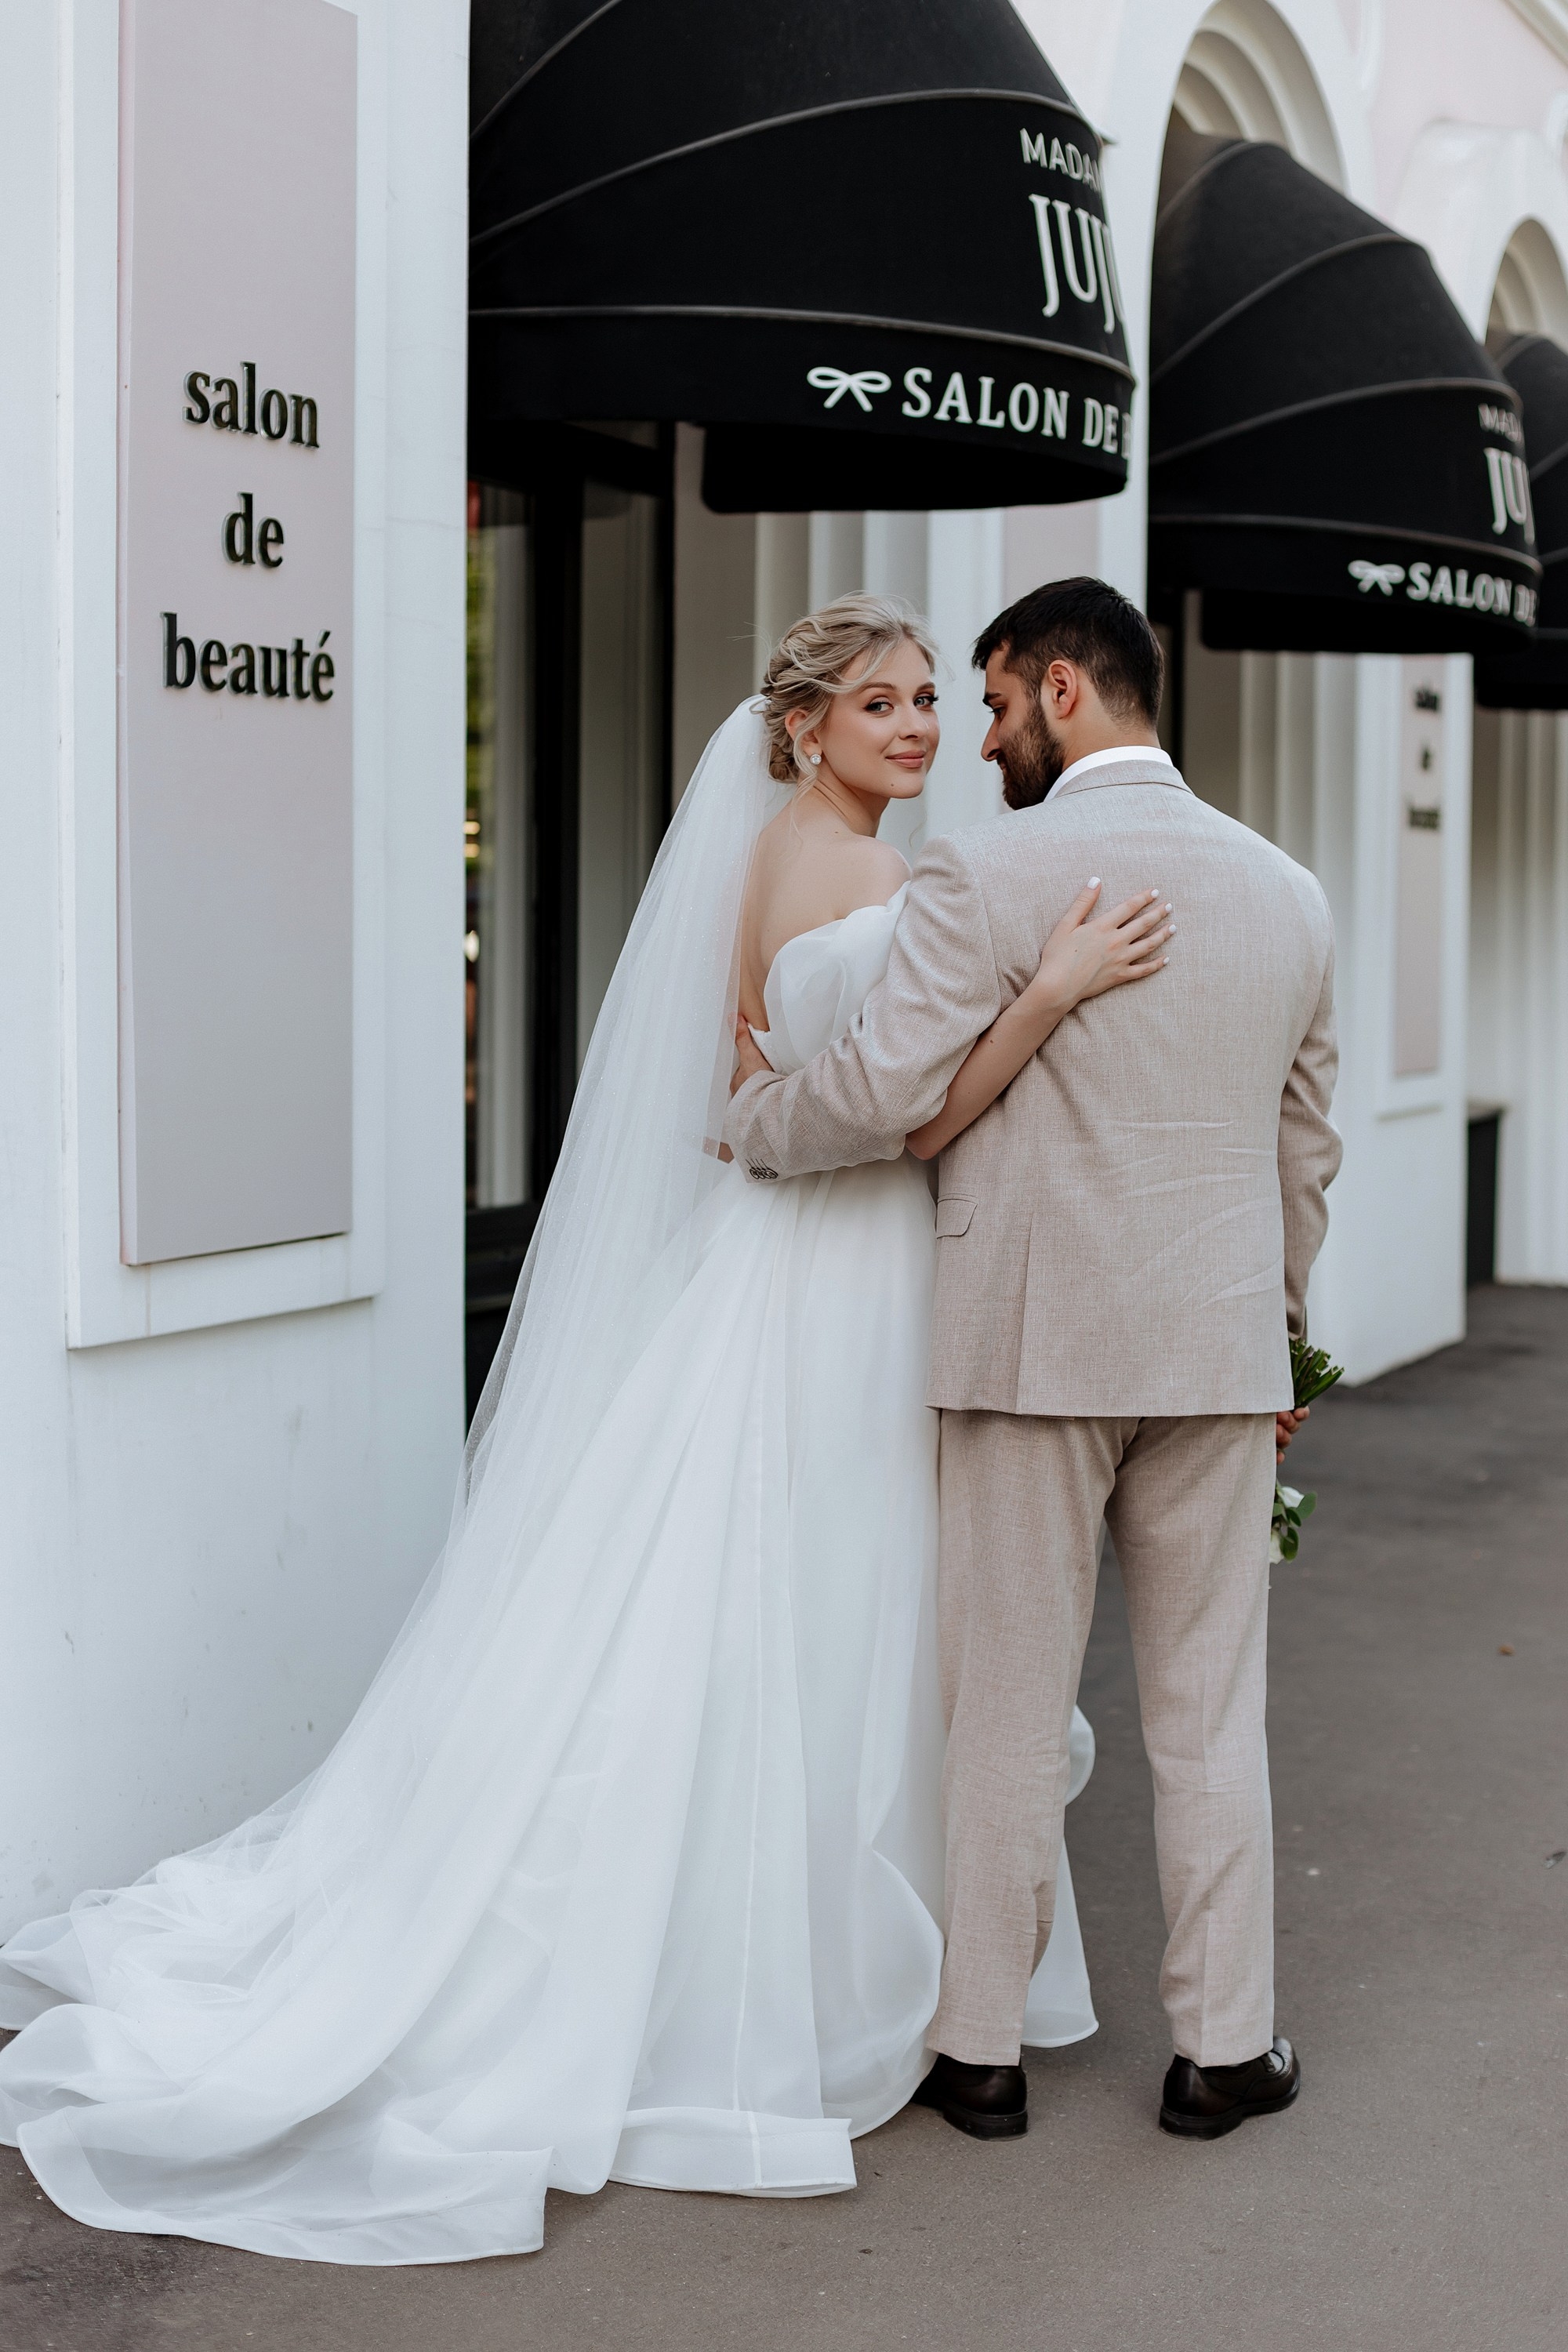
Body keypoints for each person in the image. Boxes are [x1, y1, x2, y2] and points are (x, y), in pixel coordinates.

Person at [0, 597, 1170, 2263]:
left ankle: (863, 1959)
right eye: (885, 705)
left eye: (932, 702)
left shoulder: (796, 862)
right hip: (837, 1271)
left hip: (812, 1265)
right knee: (828, 1602)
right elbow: (904, 1116)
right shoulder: (859, 880)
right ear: (803, 729)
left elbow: (759, 1093)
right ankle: (805, 1982)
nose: (918, 729)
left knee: (811, 1605)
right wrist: (1048, 993)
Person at [726, 575, 1341, 2144]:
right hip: (1212, 1354)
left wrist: (748, 1123)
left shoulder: (983, 875)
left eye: (991, 701)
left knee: (1001, 1703)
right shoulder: (1289, 893)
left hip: (1023, 1347)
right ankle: (1226, 2050)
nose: (977, 735)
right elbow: (1305, 1152)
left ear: (1063, 689)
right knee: (1209, 1714)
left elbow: (875, 1093)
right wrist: (1279, 1341)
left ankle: (978, 2054)